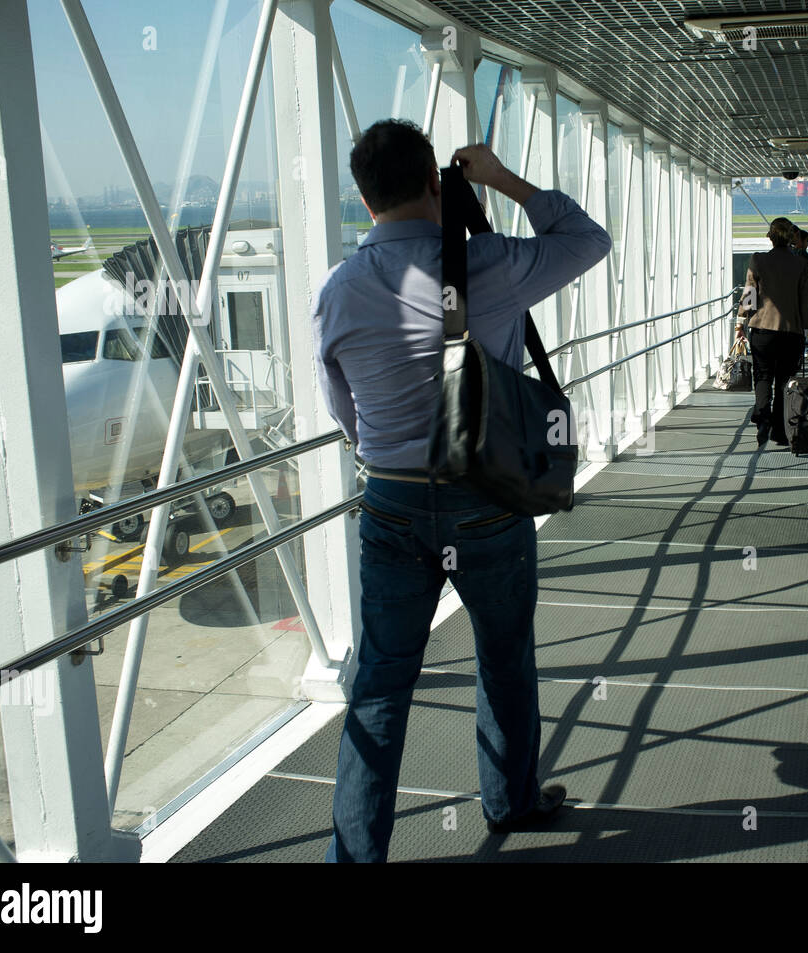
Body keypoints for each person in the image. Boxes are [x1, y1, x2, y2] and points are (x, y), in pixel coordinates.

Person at [312, 119, 611, 862]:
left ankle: (356, 858)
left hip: (390, 503)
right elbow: (588, 240)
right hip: (487, 498)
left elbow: (339, 405)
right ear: (434, 184)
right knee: (504, 655)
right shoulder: (491, 266)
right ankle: (510, 798)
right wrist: (503, 180)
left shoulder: (338, 290)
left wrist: (385, 448)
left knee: (379, 686)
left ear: (362, 196)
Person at [736, 218, 808, 448]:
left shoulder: (758, 260)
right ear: (791, 237)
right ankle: (780, 431)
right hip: (791, 332)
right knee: (784, 381)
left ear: (770, 236)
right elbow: (806, 301)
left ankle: (762, 416)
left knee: (762, 375)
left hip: (762, 330)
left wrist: (741, 321)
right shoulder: (801, 265)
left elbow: (749, 295)